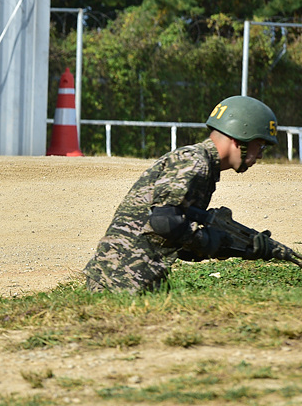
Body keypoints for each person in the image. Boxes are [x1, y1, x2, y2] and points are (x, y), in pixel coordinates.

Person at [83, 95, 279, 293]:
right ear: (239, 138)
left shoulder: (204, 166)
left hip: (133, 277)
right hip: (120, 281)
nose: (261, 155)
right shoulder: (195, 162)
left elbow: (177, 240)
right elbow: (164, 221)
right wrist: (208, 239)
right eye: (260, 145)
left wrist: (237, 246)